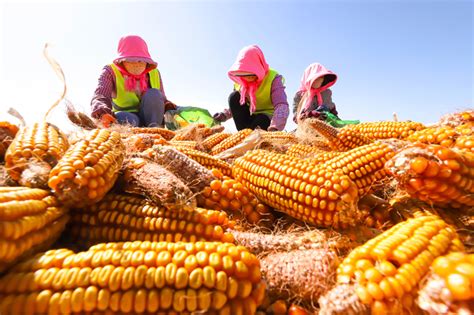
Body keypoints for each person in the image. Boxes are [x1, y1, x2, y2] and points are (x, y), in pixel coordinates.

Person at [90, 35, 176, 127]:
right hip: (127, 117)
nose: (137, 64)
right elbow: (101, 95)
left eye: (140, 60)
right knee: (127, 119)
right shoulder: (110, 71)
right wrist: (102, 113)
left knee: (154, 94)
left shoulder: (154, 73)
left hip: (152, 117)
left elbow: (161, 99)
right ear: (122, 61)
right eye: (131, 60)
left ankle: (154, 129)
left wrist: (170, 108)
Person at [213, 45, 289, 131]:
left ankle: (253, 135)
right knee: (234, 96)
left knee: (261, 120)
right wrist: (224, 115)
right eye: (243, 75)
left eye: (251, 74)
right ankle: (243, 134)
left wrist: (275, 127)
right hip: (249, 115)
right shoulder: (240, 83)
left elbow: (281, 106)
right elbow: (238, 106)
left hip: (268, 118)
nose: (247, 78)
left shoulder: (273, 78)